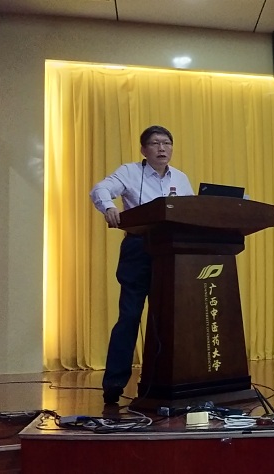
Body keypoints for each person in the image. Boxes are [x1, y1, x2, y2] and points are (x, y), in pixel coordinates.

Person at [89, 125, 195, 405]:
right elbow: (100, 189)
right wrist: (108, 206)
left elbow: (191, 212)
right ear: (143, 150)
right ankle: (114, 384)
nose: (162, 148)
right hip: (139, 248)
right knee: (130, 316)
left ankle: (171, 381)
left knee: (172, 318)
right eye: (155, 143)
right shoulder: (130, 172)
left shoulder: (181, 178)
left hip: (173, 252)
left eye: (167, 143)